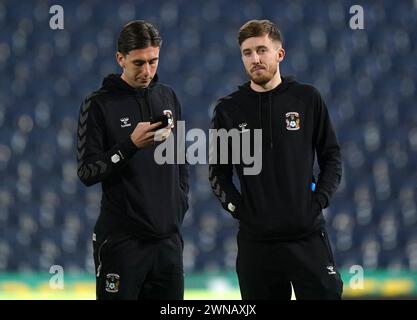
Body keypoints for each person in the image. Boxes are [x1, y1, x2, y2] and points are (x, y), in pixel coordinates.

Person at [209, 19, 343, 300]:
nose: (255, 59)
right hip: (257, 244)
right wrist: (241, 210)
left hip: (306, 236)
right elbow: (218, 174)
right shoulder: (229, 110)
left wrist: (317, 202)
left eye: (262, 50)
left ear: (279, 54)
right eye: (247, 53)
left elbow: (331, 157)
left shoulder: (307, 99)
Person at [76, 20, 189, 300]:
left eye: (153, 61)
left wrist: (178, 206)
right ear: (120, 59)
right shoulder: (98, 104)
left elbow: (180, 162)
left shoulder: (168, 97)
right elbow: (87, 171)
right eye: (139, 63)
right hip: (122, 244)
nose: (147, 71)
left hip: (168, 244)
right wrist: (129, 145)